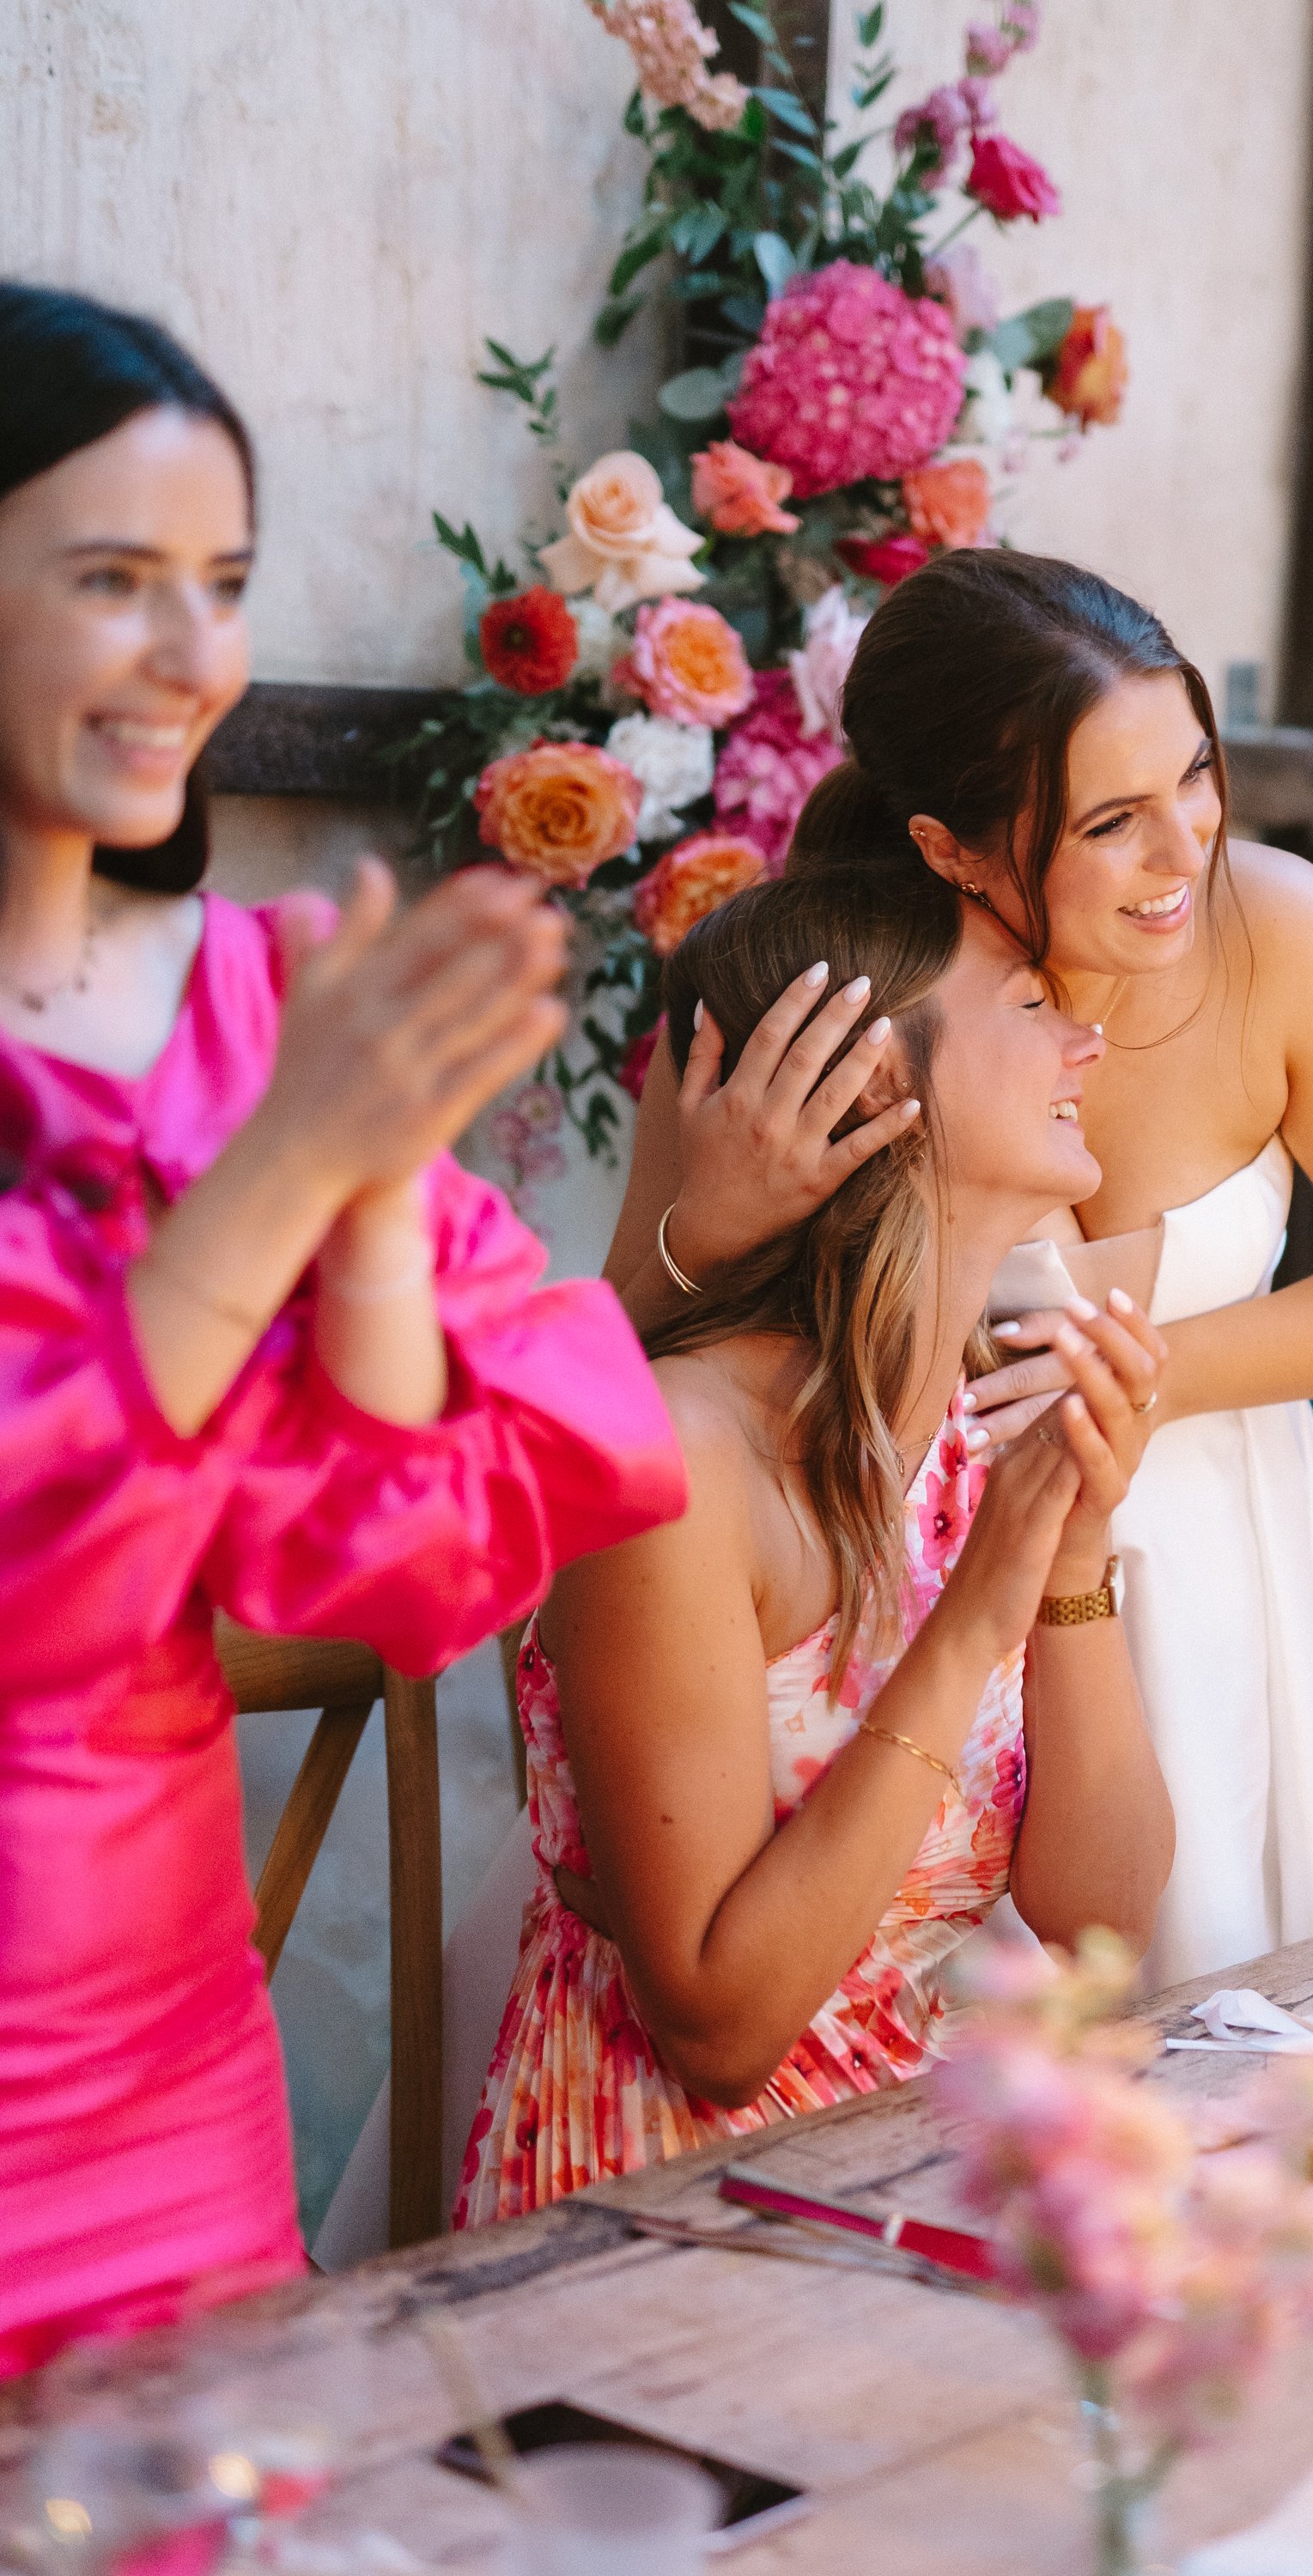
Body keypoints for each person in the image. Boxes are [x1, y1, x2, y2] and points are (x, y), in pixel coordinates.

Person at [0, 284, 685, 2372]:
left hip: (166, 2085)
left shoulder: (254, 1002)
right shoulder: (276, 1077)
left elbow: (394, 1575)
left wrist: (377, 1192)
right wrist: (293, 1160)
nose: (196, 657)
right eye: (114, 581)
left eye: (224, 585)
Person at [603, 552, 1313, 1989]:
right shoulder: (818, 991)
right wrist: (706, 1230)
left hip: (1219, 1597)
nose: (1184, 852)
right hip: (880, 1631)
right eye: (1112, 822)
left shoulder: (1273, 933)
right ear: (954, 846)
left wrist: (1129, 1392)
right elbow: (614, 1403)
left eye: (1195, 778)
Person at [455, 867, 1172, 2221]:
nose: (1087, 1038)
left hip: (922, 2163)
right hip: (670, 2208)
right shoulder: (684, 1457)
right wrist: (978, 1613)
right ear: (877, 1075)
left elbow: (1105, 1923)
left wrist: (1071, 1561)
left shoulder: (980, 1411)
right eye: (1031, 1003)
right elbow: (718, 2033)